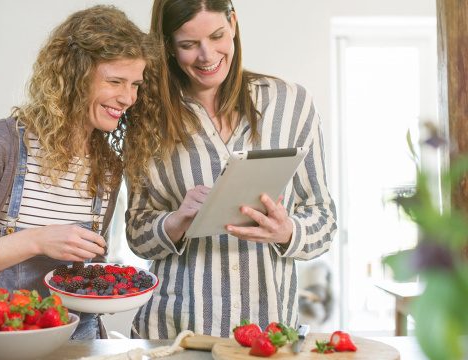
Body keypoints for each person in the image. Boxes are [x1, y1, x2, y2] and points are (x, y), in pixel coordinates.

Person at [0, 5, 159, 339]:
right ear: (75, 77)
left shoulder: (109, 165)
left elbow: (83, 272)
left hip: (78, 337)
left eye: (135, 84)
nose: (128, 98)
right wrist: (37, 240)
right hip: (3, 336)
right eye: (115, 81)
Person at [125, 0, 338, 339]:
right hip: (175, 334)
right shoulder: (145, 116)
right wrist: (175, 222)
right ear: (167, 46)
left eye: (217, 35)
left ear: (234, 24)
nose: (207, 56)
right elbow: (137, 232)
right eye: (188, 45)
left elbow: (324, 218)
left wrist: (286, 232)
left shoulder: (291, 104)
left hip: (267, 334)